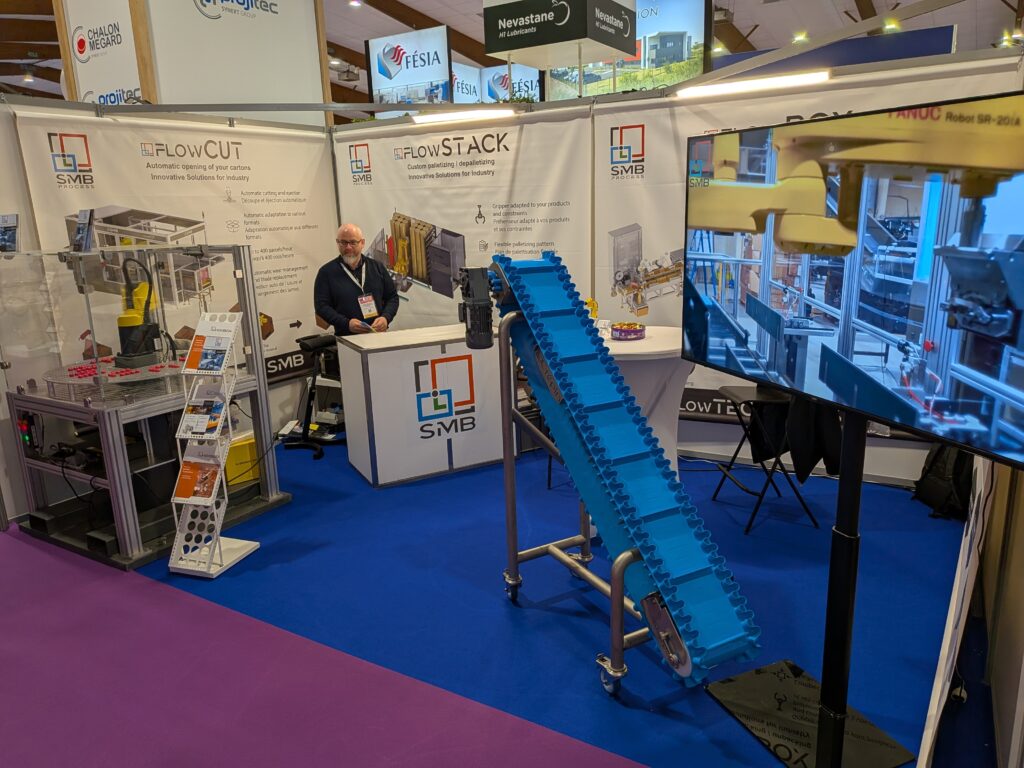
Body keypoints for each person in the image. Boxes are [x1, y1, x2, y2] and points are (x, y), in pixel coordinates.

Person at [314, 223, 399, 335]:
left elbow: (392, 297)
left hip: (378, 335)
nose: (348, 247)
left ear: (362, 243)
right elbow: (321, 307)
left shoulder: (377, 267)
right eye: (343, 242)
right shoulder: (326, 273)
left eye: (353, 242)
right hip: (347, 337)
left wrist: (386, 318)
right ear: (337, 243)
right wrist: (346, 324)